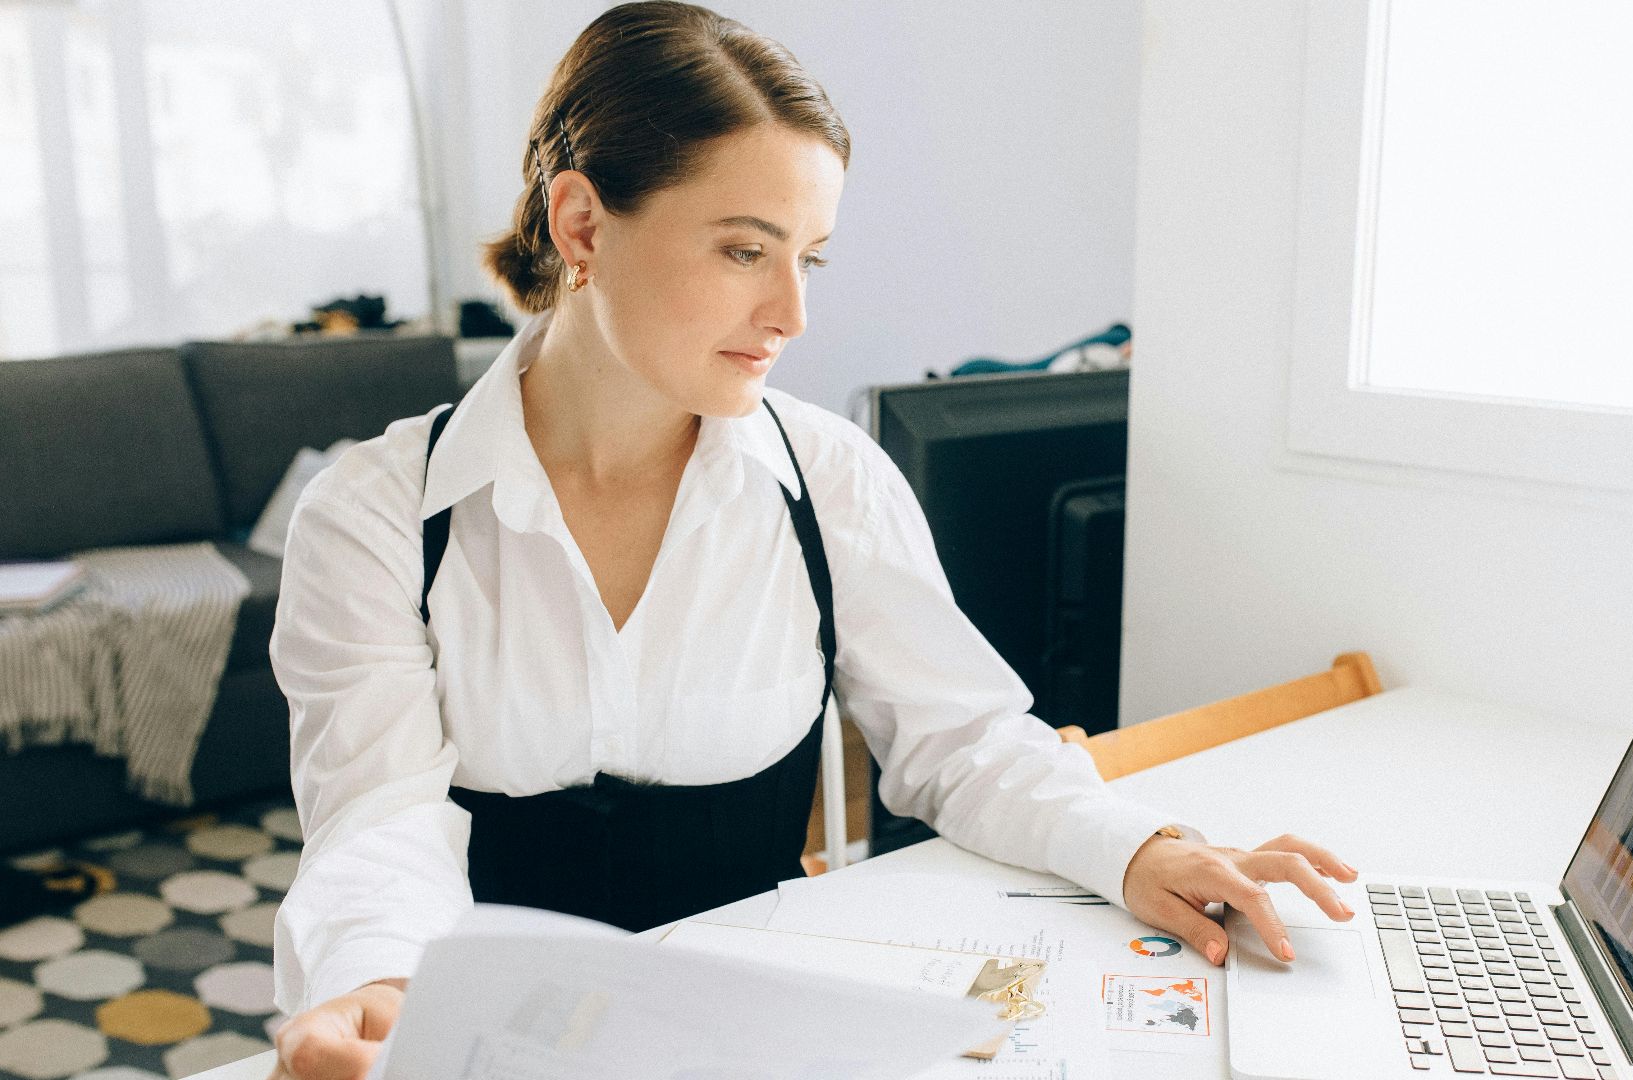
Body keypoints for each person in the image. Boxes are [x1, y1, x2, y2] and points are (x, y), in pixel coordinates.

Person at [265, 4, 1356, 1078]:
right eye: (746, 251)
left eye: (810, 259)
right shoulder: (375, 517)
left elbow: (962, 742)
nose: (791, 313)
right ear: (583, 224)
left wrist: (1141, 846)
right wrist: (376, 984)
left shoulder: (829, 482)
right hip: (488, 1047)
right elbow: (377, 822)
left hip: (748, 1046)